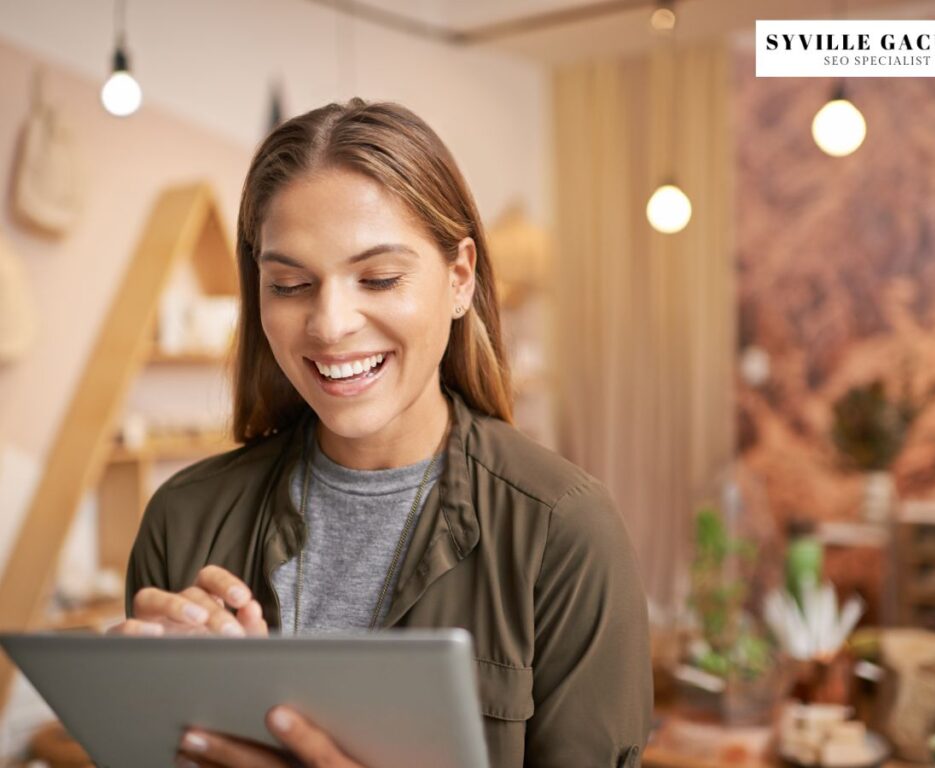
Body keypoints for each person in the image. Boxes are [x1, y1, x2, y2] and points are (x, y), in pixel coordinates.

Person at [113, 98, 652, 767]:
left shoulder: (563, 532)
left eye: (379, 277)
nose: (330, 324)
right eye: (290, 284)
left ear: (459, 278)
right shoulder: (183, 520)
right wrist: (138, 716)